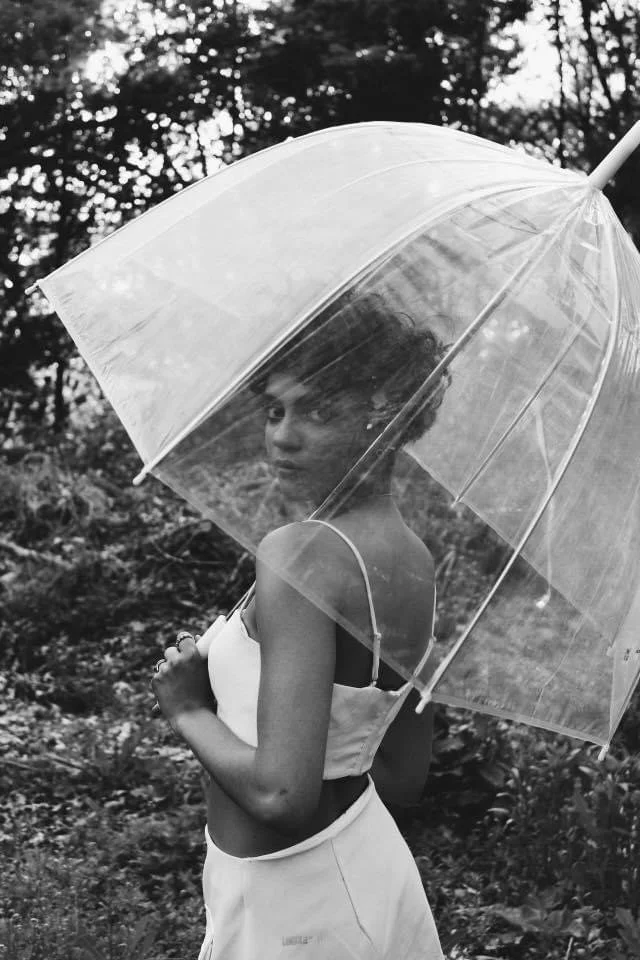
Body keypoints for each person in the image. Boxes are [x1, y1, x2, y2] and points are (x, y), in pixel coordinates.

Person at [151, 291, 450, 959]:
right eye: (275, 409)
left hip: (297, 907)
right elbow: (401, 774)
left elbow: (281, 794)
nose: (282, 435)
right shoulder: (413, 559)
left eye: (318, 410)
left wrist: (188, 707)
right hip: (353, 873)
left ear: (381, 414)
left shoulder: (299, 552)